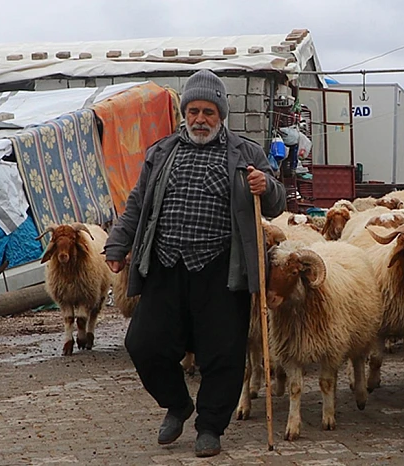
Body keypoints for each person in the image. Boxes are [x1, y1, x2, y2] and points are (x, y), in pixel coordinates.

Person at [103, 69, 286, 458]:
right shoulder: (162, 151)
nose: (200, 119)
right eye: (193, 111)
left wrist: (265, 185)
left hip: (222, 268)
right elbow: (137, 203)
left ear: (221, 115)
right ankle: (177, 403)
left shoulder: (246, 154)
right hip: (166, 264)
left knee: (223, 351)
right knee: (144, 343)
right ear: (184, 113)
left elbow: (275, 203)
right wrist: (117, 245)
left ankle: (210, 426)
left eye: (208, 112)